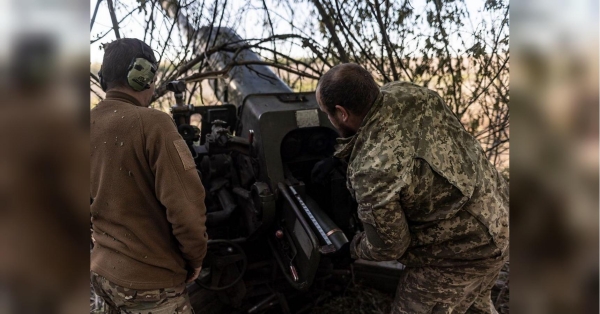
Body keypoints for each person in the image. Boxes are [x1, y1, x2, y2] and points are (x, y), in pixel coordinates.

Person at [313, 63, 509, 314]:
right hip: (499, 216)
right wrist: (343, 156)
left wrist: (351, 248)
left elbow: (390, 245)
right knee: (473, 305)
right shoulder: (407, 93)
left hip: (462, 251)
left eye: (328, 114)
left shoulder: (372, 168)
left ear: (341, 113)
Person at [90, 38, 208, 314]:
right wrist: (195, 259)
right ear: (143, 76)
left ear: (103, 77)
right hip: (150, 287)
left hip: (103, 273)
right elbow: (187, 208)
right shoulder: (153, 124)